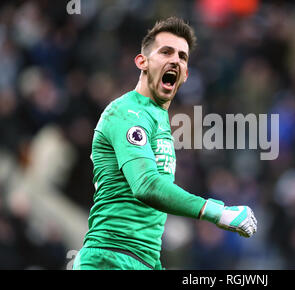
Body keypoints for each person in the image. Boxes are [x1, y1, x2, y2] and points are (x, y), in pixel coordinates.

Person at [73, 17, 257, 270]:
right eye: (166, 52)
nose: (175, 60)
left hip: (143, 259)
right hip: (111, 256)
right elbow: (146, 186)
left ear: (185, 75)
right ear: (142, 62)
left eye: (182, 56)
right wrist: (218, 212)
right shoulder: (126, 112)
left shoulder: (159, 120)